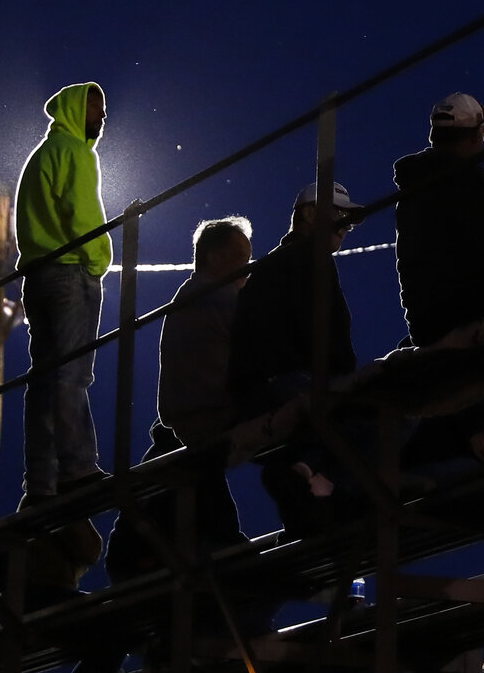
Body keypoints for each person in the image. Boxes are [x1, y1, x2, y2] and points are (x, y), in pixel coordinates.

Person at [229, 181, 369, 532]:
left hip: (258, 390)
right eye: (338, 215)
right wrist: (348, 378)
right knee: (389, 411)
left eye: (348, 222)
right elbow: (324, 335)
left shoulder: (270, 266)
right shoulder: (309, 259)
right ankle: (325, 486)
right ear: (308, 213)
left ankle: (307, 477)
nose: (344, 228)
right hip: (289, 382)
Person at [395, 94, 484, 470]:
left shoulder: (413, 188)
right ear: (476, 134)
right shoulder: (478, 186)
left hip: (425, 322)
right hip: (472, 317)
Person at [16, 81, 115, 498]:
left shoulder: (41, 155)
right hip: (70, 273)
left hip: (36, 277)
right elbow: (84, 216)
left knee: (43, 381)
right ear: (76, 111)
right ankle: (77, 469)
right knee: (72, 374)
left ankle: (40, 480)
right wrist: (100, 261)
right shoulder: (75, 153)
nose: (102, 117)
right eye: (95, 109)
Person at [146, 216, 256, 550]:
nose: (248, 265)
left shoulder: (189, 296)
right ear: (213, 257)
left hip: (188, 414)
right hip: (215, 408)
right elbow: (259, 347)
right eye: (239, 254)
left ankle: (228, 541)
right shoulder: (218, 297)